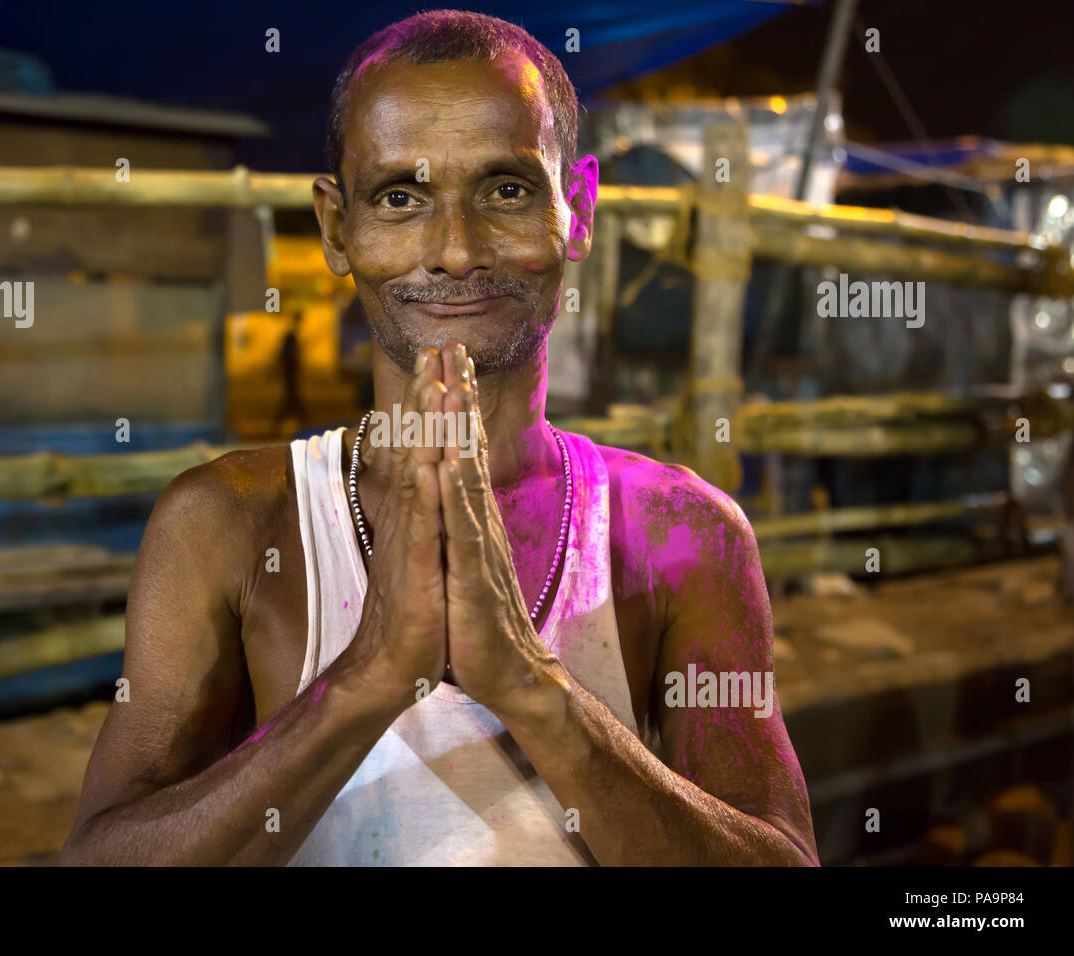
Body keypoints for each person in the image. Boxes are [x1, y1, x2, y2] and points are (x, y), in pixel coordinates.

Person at [60, 9, 817, 866]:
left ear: (578, 210)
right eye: (400, 198)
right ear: (337, 228)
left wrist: (529, 686)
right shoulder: (226, 525)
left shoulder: (683, 534)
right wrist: (369, 678)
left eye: (505, 190)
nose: (455, 250)